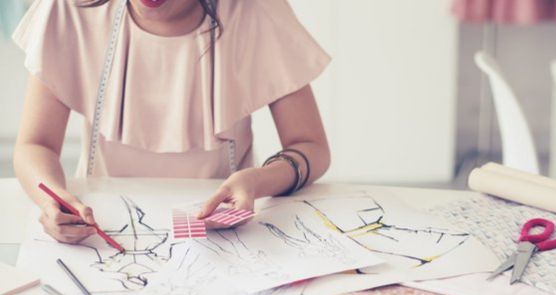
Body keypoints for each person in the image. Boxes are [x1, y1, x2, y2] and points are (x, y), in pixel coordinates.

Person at [12, 0, 331, 243]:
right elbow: (34, 144)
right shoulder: (70, 8)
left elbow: (311, 146)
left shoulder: (254, 10)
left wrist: (256, 181)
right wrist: (51, 199)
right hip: (102, 229)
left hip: (222, 235)